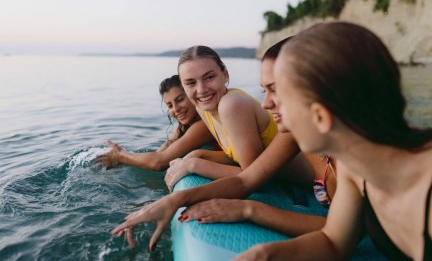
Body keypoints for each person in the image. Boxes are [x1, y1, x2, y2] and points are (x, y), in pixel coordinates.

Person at [110, 42, 340, 251]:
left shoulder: (233, 104)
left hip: (312, 189)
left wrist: (249, 210)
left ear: (225, 75)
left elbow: (342, 233)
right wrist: (173, 200)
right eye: (264, 91)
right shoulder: (290, 133)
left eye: (275, 90)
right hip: (314, 188)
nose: (266, 103)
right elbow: (246, 178)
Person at [233, 22, 432, 261]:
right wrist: (264, 255)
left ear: (320, 116)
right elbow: (333, 242)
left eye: (282, 95)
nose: (266, 104)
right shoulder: (355, 165)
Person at [163, 45, 287, 189]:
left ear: (225, 75)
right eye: (191, 83)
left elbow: (253, 176)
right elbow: (237, 157)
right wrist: (198, 154)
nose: (201, 90)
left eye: (209, 77)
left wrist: (194, 164)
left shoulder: (232, 104)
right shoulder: (203, 109)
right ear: (183, 87)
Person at [96, 75, 214, 171]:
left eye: (179, 100)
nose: (175, 109)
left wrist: (121, 156)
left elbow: (159, 163)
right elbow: (158, 153)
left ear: (191, 95)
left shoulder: (204, 125)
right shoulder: (183, 127)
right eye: (169, 105)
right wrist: (122, 158)